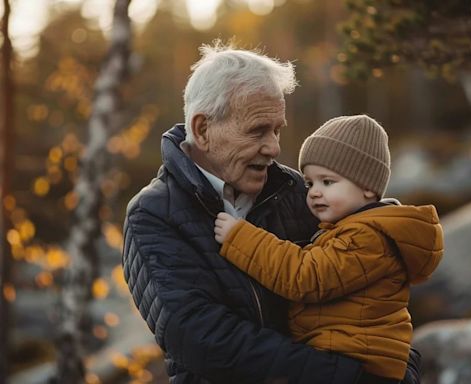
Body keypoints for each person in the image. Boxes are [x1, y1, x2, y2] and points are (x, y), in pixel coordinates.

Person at [122, 41, 422, 384]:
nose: (275, 147)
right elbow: (202, 337)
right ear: (203, 129)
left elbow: (373, 294)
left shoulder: (298, 193)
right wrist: (346, 378)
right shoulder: (153, 214)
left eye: (277, 129)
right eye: (258, 130)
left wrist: (402, 371)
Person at [214, 115, 444, 383]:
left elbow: (306, 277)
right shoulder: (350, 229)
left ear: (368, 187)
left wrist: (241, 238)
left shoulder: (367, 238)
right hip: (344, 359)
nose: (313, 192)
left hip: (359, 366)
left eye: (328, 182)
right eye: (310, 183)